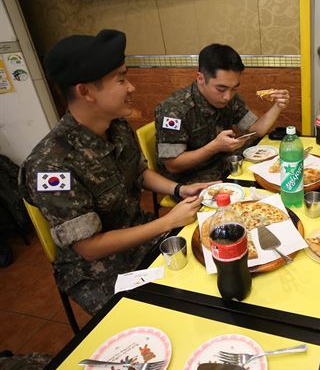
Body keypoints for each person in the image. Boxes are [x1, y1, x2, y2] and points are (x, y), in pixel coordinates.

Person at [20, 30, 211, 315]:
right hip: (98, 270)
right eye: (121, 79)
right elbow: (88, 248)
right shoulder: (51, 165)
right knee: (161, 317)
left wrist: (178, 190)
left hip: (141, 235)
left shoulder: (116, 126)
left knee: (210, 267)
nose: (131, 87)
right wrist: (167, 221)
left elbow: (138, 172)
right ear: (85, 92)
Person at [154, 43, 290, 186]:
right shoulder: (173, 110)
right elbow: (173, 165)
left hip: (224, 165)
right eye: (221, 89)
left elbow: (256, 129)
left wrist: (277, 106)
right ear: (200, 78)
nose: (227, 97)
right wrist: (215, 147)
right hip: (189, 180)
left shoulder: (229, 97)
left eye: (234, 89)